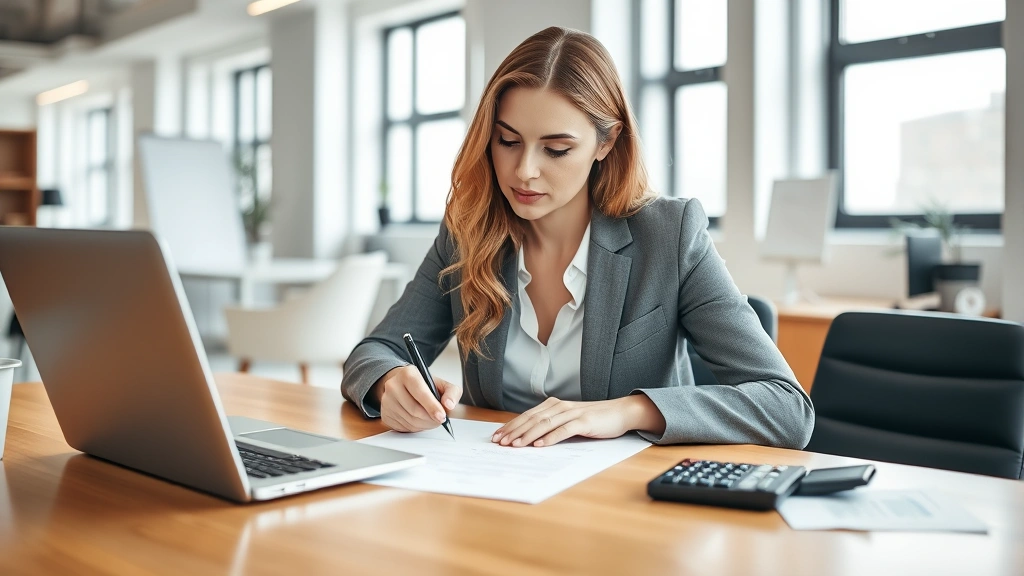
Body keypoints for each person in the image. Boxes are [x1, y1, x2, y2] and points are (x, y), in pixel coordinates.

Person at [342, 26, 814, 449]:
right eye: (507, 141)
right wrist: (390, 382)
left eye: (556, 149)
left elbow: (786, 407)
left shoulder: (669, 235)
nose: (524, 170)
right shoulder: (468, 230)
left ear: (605, 144)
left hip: (623, 507)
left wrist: (625, 412)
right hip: (495, 493)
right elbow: (373, 352)